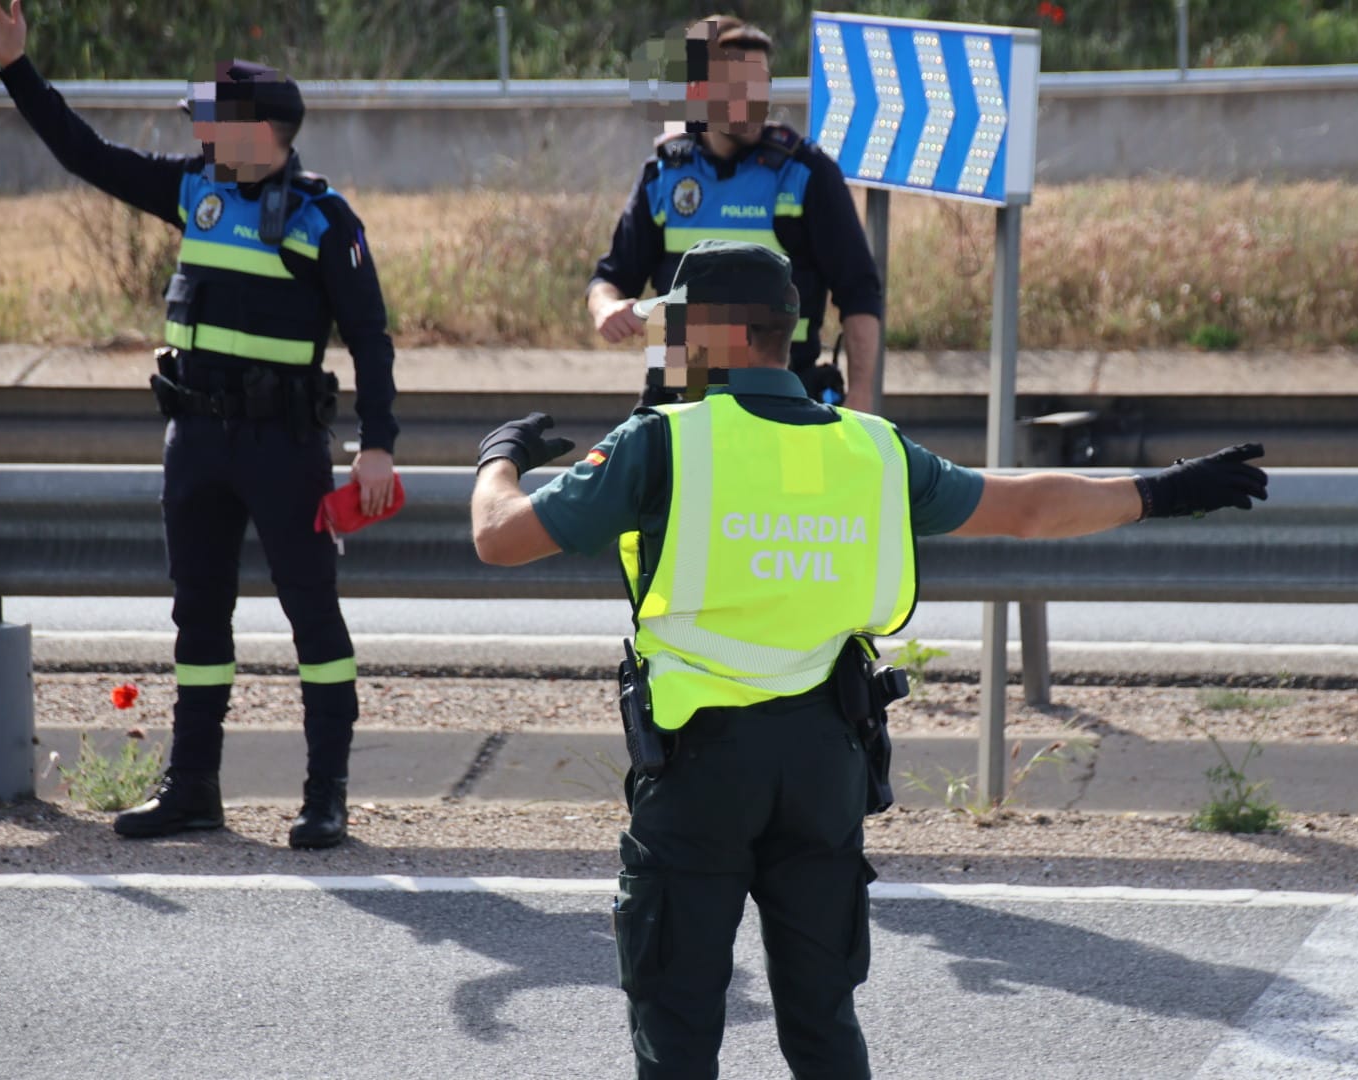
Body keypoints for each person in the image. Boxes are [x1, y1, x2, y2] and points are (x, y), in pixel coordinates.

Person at [472, 239, 1269, 1079]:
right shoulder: (873, 450)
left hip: (698, 768)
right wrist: (1165, 490)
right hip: (827, 762)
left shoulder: (659, 442)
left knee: (677, 1023)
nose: (668, 350)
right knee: (822, 1023)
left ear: (717, 335)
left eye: (677, 330)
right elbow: (1028, 508)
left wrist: (500, 457)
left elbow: (499, 538)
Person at [0, 0, 400, 849]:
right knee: (198, 621)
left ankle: (326, 797)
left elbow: (372, 339)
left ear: (262, 130)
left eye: (213, 122)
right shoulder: (193, 191)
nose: (199, 135)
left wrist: (378, 445)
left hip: (284, 447)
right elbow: (83, 154)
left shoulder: (325, 219)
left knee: (313, 619)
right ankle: (194, 789)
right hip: (195, 443)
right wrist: (15, 64)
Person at [588, 15, 884, 411]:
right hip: (681, 395)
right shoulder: (665, 174)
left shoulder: (805, 174)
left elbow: (859, 291)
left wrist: (862, 398)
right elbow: (610, 279)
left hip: (782, 395)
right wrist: (606, 308)